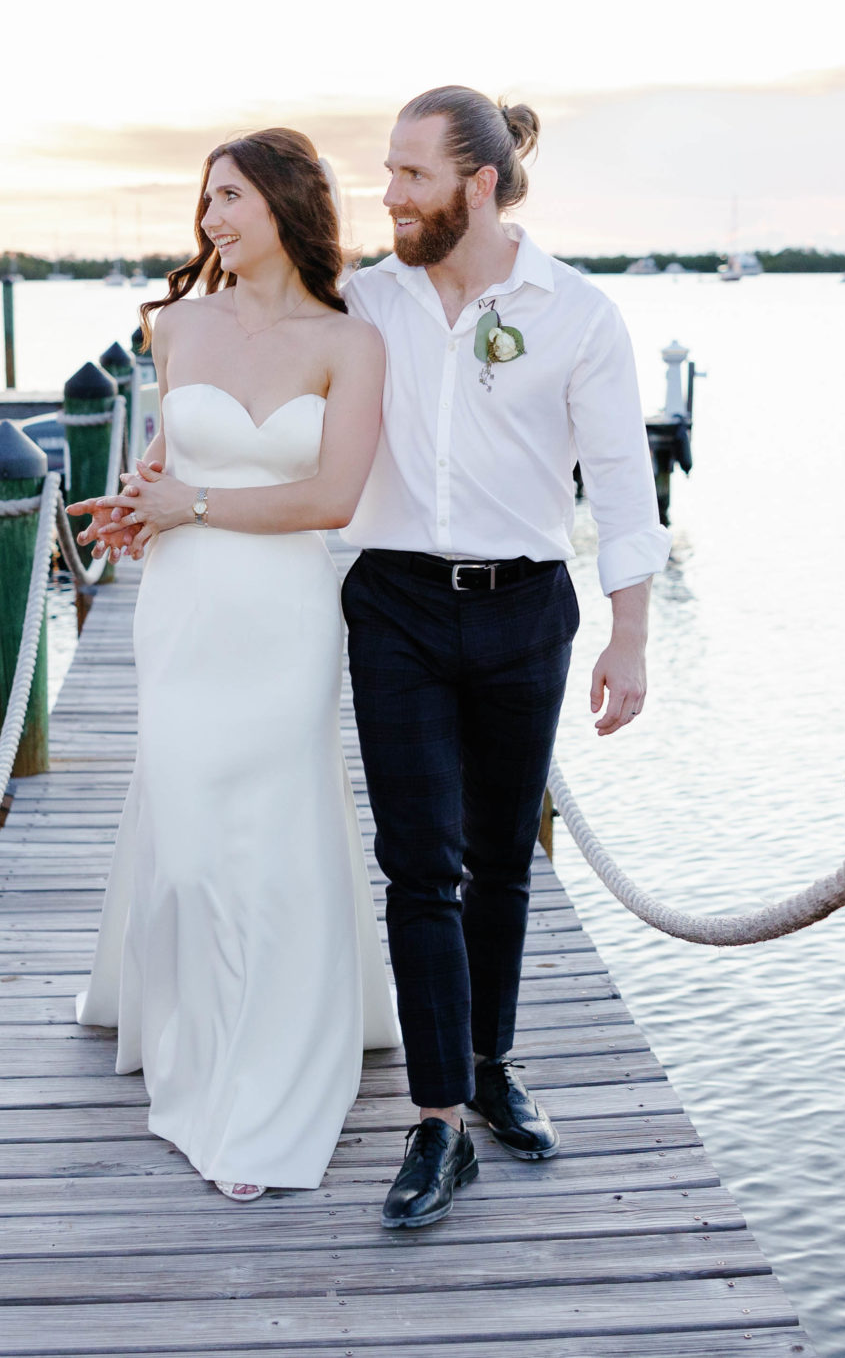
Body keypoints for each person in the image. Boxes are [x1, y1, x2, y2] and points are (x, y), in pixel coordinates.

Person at [336, 86, 667, 1228]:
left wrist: (629, 634)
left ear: (478, 184)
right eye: (388, 173)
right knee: (418, 864)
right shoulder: (364, 298)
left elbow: (622, 482)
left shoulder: (575, 313)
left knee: (503, 862)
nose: (390, 196)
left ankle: (489, 1066)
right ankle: (437, 1124)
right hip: (396, 609)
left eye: (413, 176)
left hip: (527, 610)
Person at [68, 128, 398, 1202]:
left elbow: (331, 499)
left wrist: (193, 502)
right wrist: (140, 500)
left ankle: (270, 1078)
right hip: (185, 613)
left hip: (289, 617)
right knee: (196, 845)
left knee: (275, 842)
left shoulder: (350, 344)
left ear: (288, 205)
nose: (211, 218)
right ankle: (199, 1052)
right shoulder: (174, 326)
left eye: (231, 197)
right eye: (205, 198)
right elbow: (174, 454)